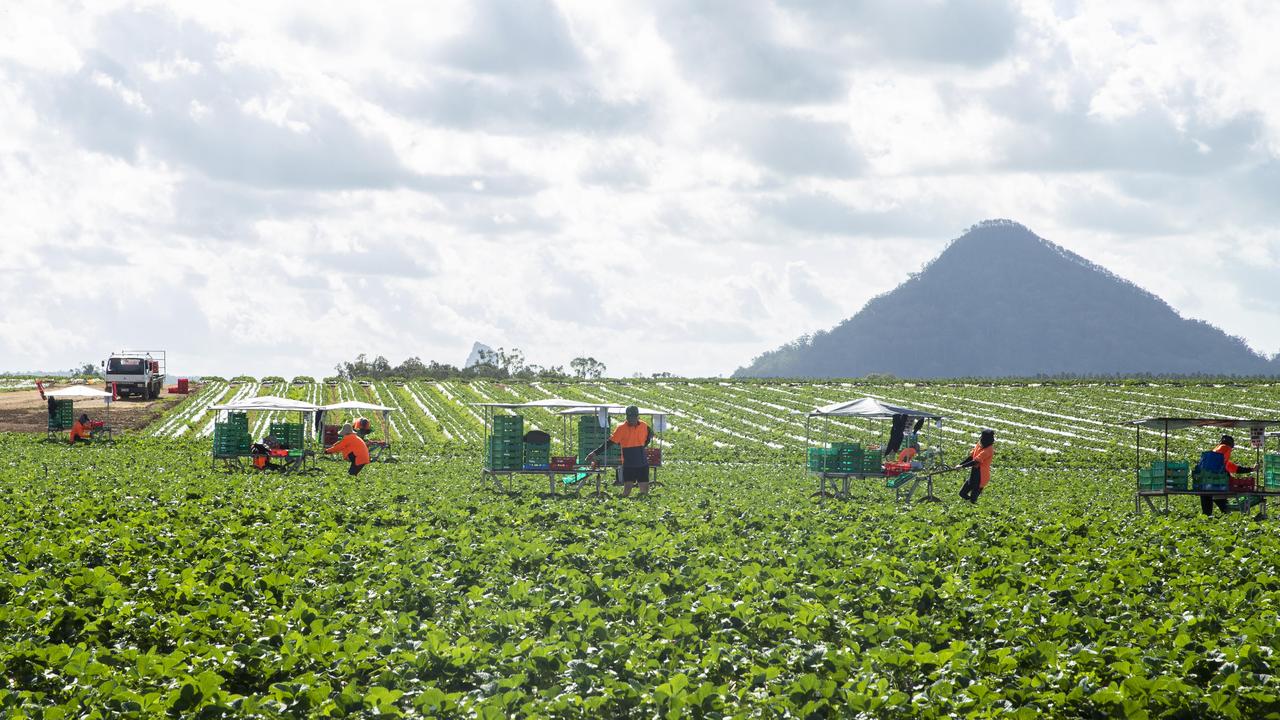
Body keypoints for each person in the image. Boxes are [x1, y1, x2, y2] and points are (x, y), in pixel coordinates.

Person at [590, 406, 653, 497]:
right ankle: (622, 503)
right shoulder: (621, 428)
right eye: (629, 417)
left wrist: (642, 446)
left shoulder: (644, 426)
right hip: (629, 463)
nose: (631, 420)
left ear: (637, 416)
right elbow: (609, 443)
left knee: (644, 492)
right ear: (626, 417)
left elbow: (649, 437)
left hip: (642, 462)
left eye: (633, 417)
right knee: (627, 490)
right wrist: (595, 452)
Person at [1200, 434, 1255, 516]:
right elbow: (1228, 467)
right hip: (1216, 485)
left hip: (1204, 483)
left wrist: (1250, 469)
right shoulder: (1226, 449)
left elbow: (1231, 467)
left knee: (1208, 510)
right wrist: (1251, 469)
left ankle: (1211, 517)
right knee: (1223, 506)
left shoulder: (1215, 452)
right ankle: (1225, 514)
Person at [957, 429, 996, 504]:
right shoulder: (980, 444)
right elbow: (971, 457)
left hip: (981, 475)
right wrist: (960, 464)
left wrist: (962, 466)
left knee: (973, 499)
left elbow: (976, 461)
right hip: (974, 472)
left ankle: (973, 508)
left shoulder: (989, 450)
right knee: (962, 493)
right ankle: (970, 505)